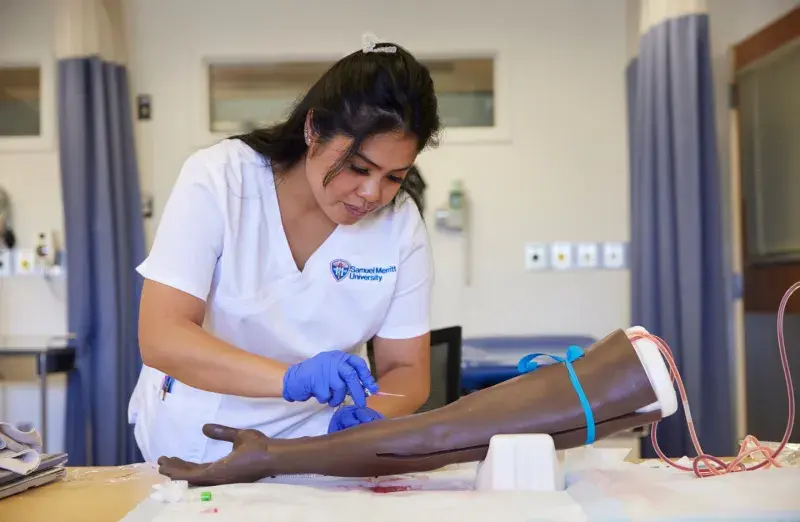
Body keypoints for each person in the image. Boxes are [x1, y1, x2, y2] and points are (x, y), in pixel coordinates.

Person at [127, 36, 441, 464]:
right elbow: (163, 337)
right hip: (203, 434)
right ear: (313, 129)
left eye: (394, 177)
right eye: (358, 168)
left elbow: (408, 371)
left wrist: (370, 415)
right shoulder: (221, 179)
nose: (371, 193)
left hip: (321, 441)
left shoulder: (399, 224)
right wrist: (291, 379)